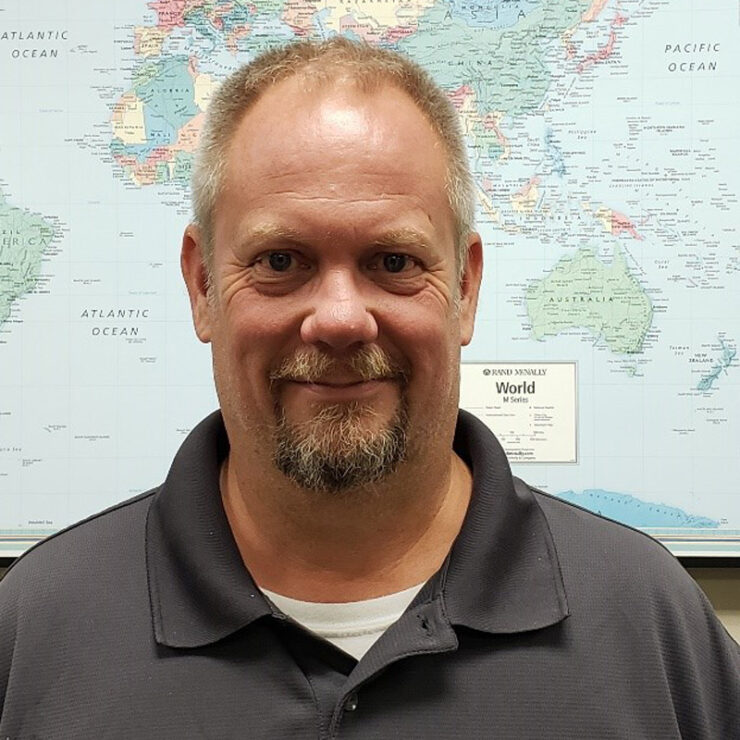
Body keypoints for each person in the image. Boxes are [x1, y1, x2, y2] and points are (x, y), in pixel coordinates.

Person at [0, 38, 737, 738]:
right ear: (201, 286)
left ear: (466, 288)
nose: (342, 319)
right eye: (282, 260)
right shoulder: (37, 630)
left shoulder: (649, 623)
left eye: (392, 261)